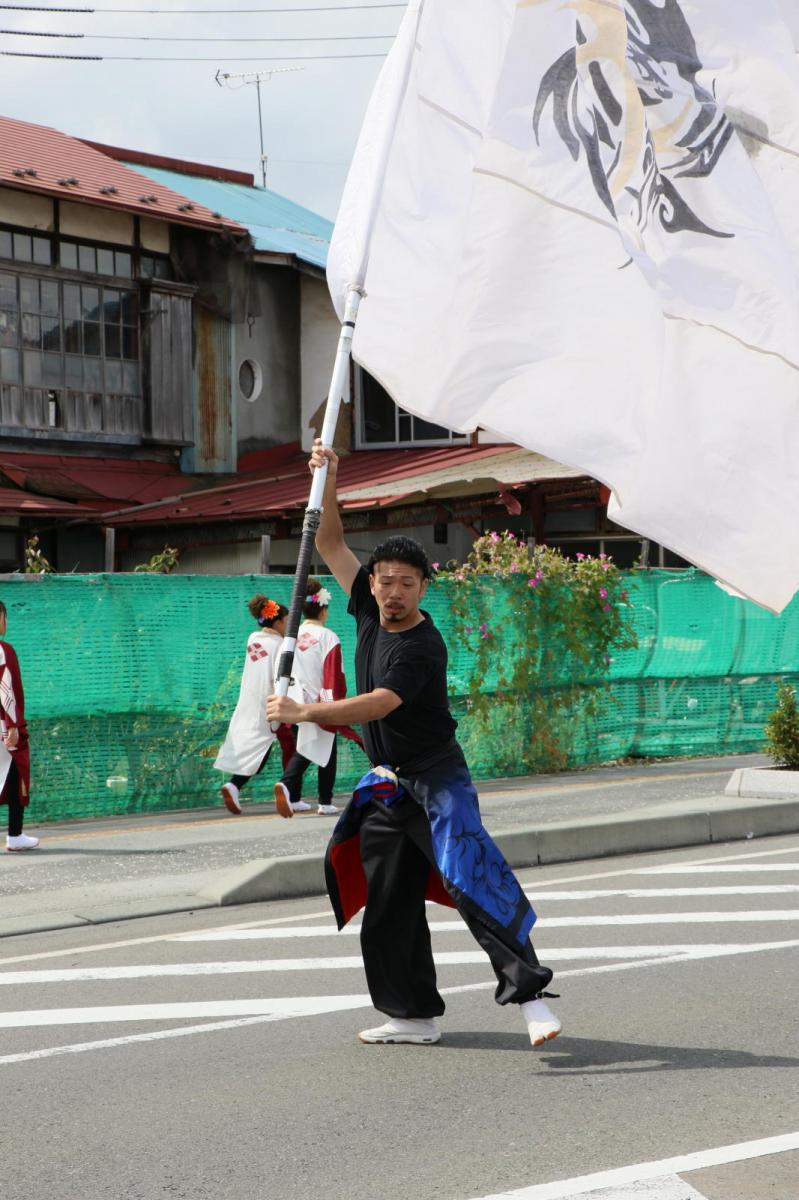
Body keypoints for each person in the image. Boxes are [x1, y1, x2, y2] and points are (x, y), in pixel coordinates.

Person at [267, 441, 561, 1049]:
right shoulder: (369, 613)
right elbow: (329, 542)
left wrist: (306, 711)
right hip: (385, 784)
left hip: (435, 777)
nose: (392, 591)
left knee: (472, 874)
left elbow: (378, 704)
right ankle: (411, 1014)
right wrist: (331, 474)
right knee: (388, 897)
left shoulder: (423, 646)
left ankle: (530, 997)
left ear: (425, 586)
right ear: (371, 586)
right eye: (384, 581)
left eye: (405, 582)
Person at [273, 577, 364, 817]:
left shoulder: (290, 637)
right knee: (314, 747)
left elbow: (280, 669)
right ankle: (288, 783)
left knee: (319, 748)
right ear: (323, 609)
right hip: (318, 702)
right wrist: (330, 704)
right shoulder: (328, 637)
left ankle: (318, 799)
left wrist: (281, 697)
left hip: (291, 700)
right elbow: (333, 674)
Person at [215, 595, 294, 815]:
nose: (288, 626)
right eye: (286, 621)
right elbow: (282, 677)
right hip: (271, 703)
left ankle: (235, 785)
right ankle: (288, 790)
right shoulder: (280, 644)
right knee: (287, 746)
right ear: (277, 622)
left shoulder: (253, 638)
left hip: (249, 699)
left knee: (258, 746)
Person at [0, 600, 37, 852]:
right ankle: (15, 835)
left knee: (11, 778)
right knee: (14, 774)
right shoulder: (4, 650)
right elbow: (7, 689)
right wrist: (13, 725)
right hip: (3, 727)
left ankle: (16, 834)